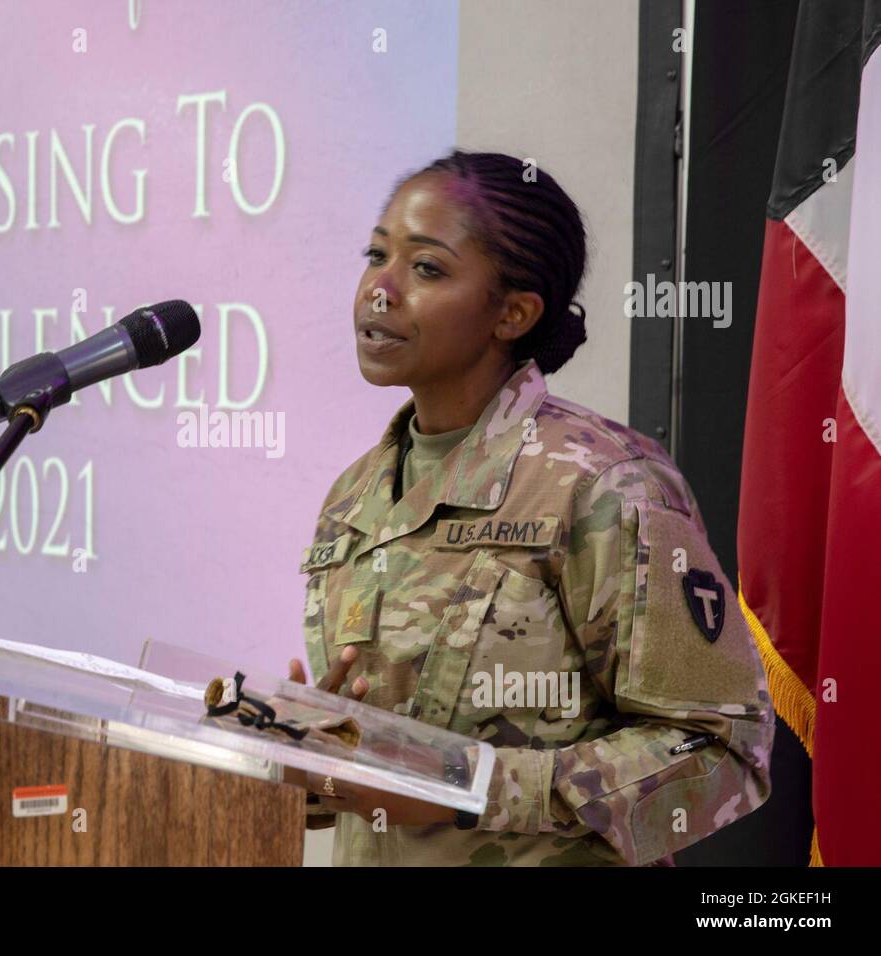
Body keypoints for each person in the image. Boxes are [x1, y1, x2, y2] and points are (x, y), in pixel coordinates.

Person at [287, 149, 773, 866]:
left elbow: (722, 754)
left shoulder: (605, 482)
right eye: (376, 255)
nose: (379, 291)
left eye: (426, 268)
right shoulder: (355, 495)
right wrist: (311, 764)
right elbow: (386, 771)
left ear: (512, 312)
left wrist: (476, 785)